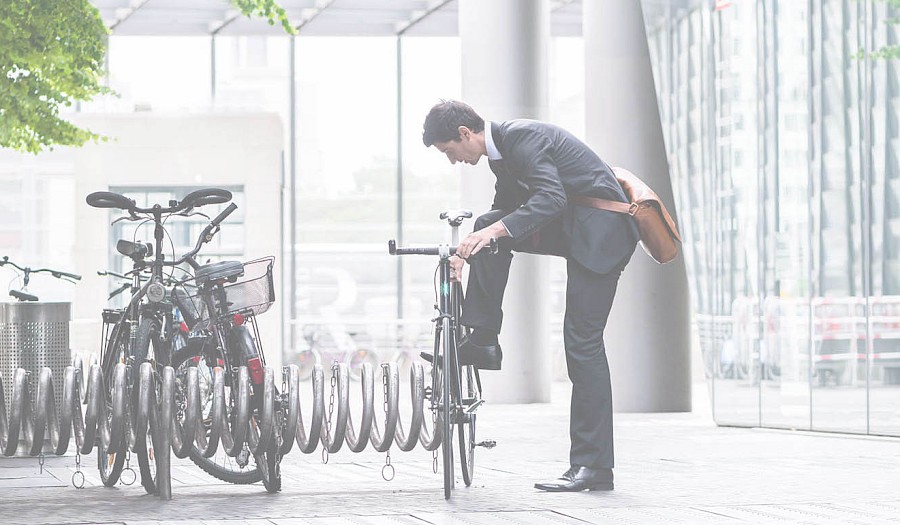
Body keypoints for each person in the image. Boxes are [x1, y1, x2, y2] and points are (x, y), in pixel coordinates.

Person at [421, 100, 639, 492]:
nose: (453, 161)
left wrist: (489, 234)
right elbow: (503, 213)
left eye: (449, 151)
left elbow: (551, 199)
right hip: (577, 228)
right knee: (488, 226)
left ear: (465, 134)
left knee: (582, 345)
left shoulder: (523, 137)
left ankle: (594, 467)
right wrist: (468, 252)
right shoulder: (500, 155)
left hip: (602, 235)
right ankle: (483, 340)